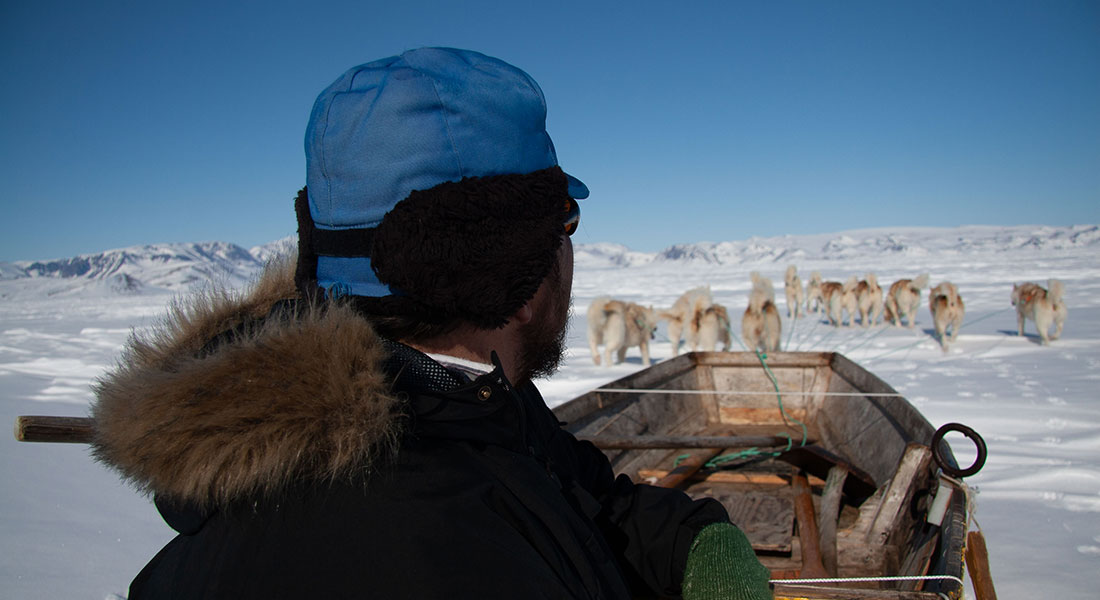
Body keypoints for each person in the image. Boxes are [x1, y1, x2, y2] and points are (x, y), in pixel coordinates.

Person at [90, 47, 772, 599]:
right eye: (565, 222)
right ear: (521, 278)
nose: (571, 249)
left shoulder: (452, 399)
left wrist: (691, 542)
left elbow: (576, 491)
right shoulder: (447, 555)